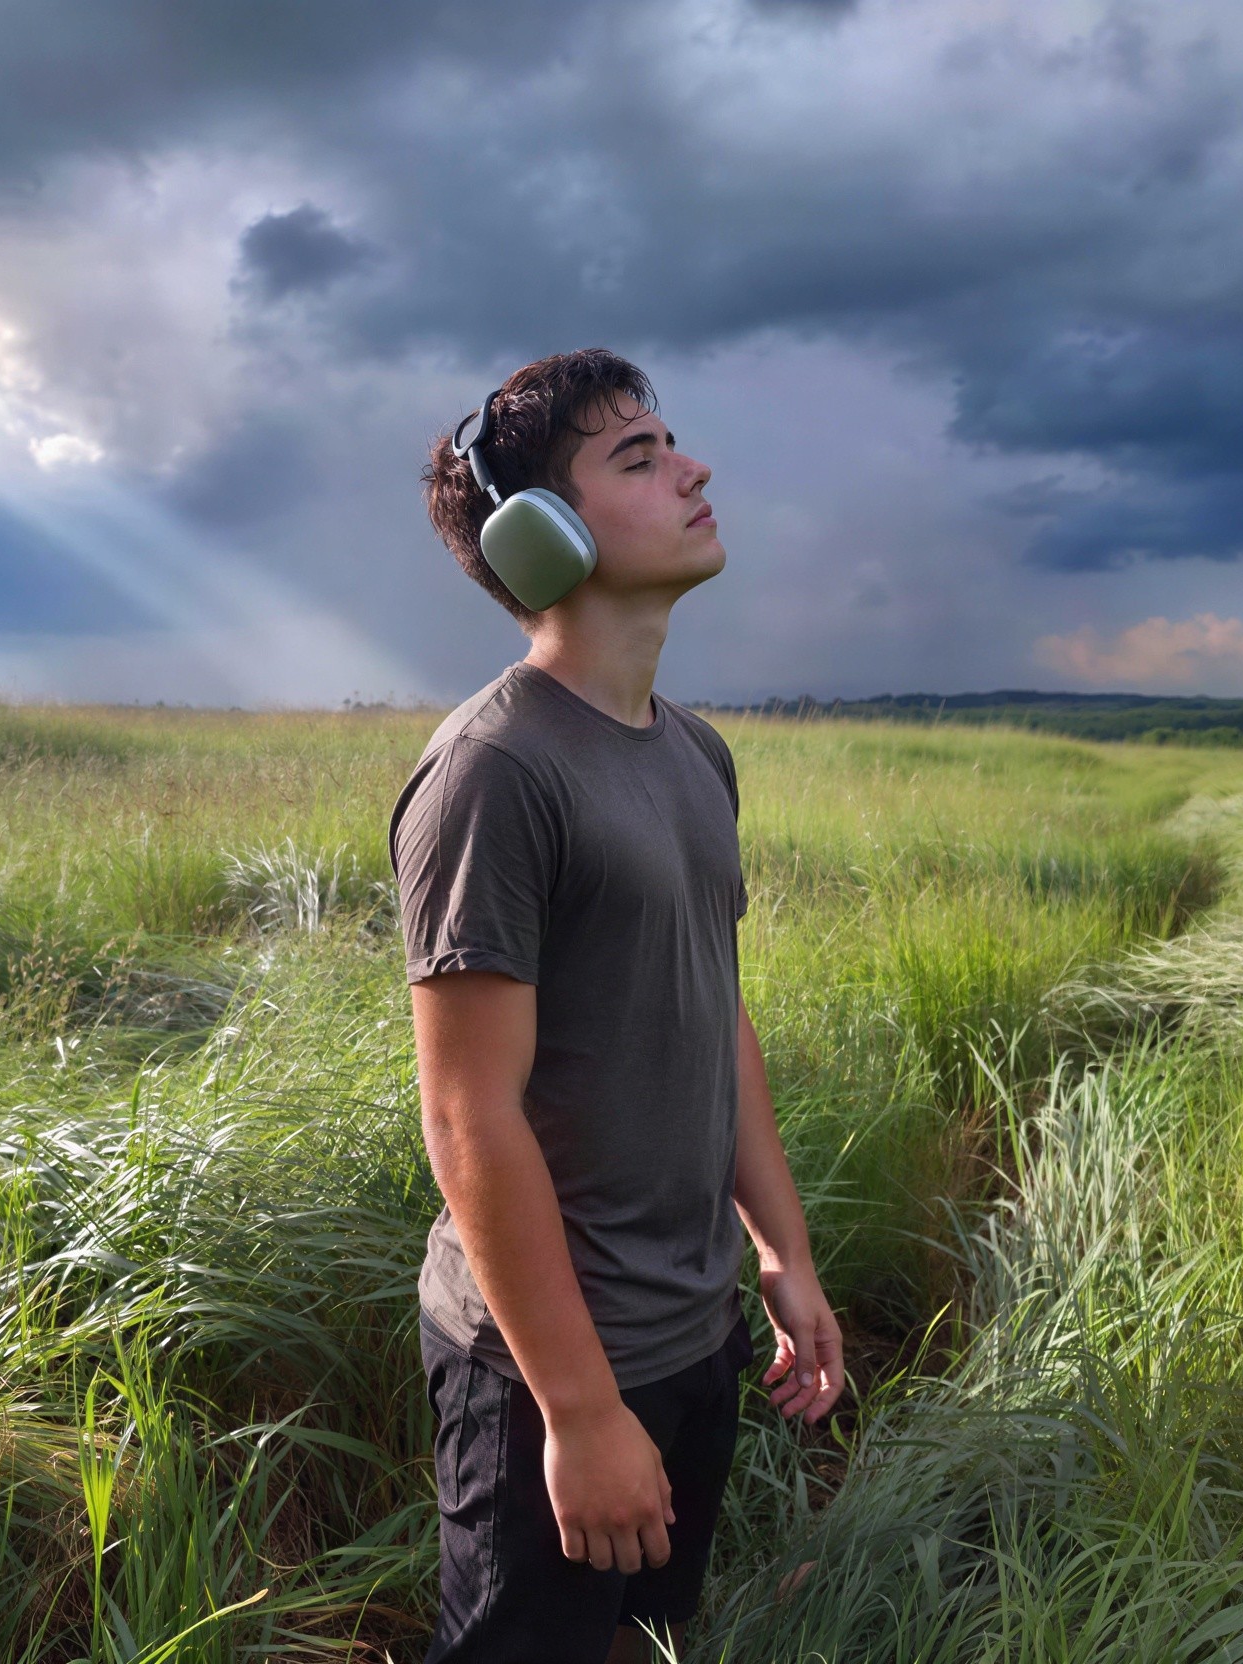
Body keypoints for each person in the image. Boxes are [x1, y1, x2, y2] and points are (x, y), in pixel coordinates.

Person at [392, 348, 846, 1663]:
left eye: (673, 443)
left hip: (693, 1328)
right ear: (537, 534)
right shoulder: (496, 768)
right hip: (549, 1359)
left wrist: (782, 1253)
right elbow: (468, 1112)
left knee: (645, 1645)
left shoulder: (695, 750)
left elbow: (718, 1018)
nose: (692, 468)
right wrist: (580, 1412)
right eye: (637, 457)